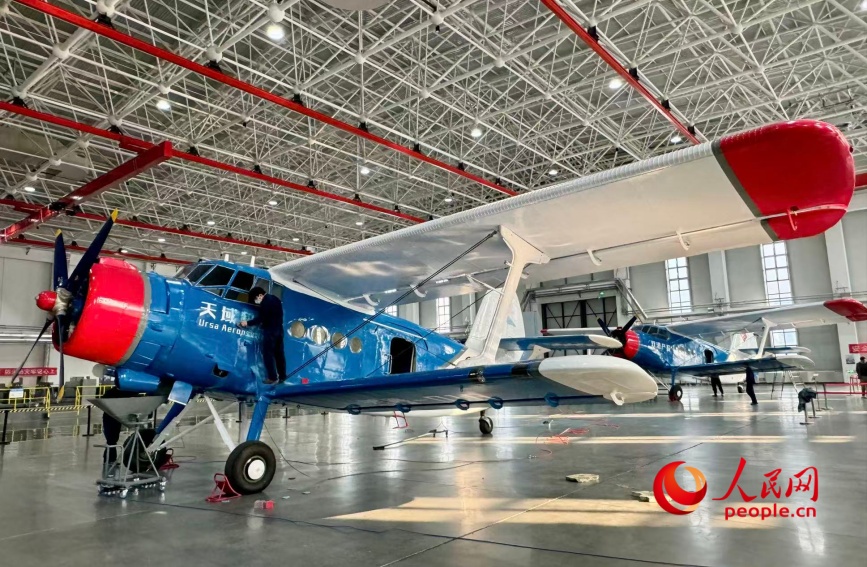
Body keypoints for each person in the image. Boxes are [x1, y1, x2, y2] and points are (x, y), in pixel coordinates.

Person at [239, 286, 287, 384]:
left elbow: (261, 318)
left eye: (256, 298)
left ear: (260, 295)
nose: (256, 301)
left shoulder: (266, 302)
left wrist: (247, 323)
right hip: (279, 330)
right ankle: (282, 376)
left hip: (271, 331)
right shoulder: (276, 299)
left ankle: (272, 377)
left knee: (268, 354)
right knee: (279, 354)